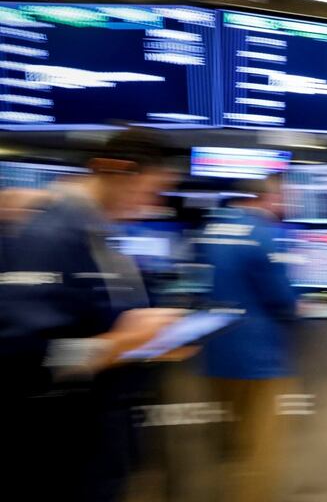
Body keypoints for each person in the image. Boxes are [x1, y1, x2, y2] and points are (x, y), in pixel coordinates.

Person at [0, 129, 183, 502]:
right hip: (56, 452)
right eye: (151, 190)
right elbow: (27, 362)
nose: (153, 204)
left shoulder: (98, 237)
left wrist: (149, 343)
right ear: (120, 172)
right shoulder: (50, 236)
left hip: (97, 444)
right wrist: (118, 344)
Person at [195, 172, 299, 502]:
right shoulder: (263, 234)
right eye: (282, 197)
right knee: (259, 452)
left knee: (230, 446)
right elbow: (284, 300)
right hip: (257, 359)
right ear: (265, 197)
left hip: (216, 353)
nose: (285, 205)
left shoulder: (211, 229)